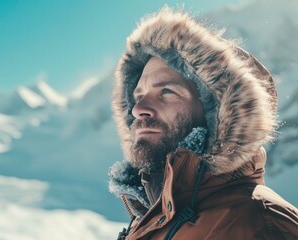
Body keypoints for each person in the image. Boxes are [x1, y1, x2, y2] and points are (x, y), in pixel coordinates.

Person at [108, 7, 298, 240]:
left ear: (219, 113)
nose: (138, 109)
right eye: (138, 97)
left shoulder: (260, 224)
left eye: (167, 91)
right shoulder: (153, 217)